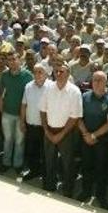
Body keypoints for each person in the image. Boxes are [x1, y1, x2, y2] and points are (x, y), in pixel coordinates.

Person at [40, 61, 83, 196]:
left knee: (67, 163)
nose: (58, 74)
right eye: (56, 71)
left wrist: (61, 134)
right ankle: (50, 185)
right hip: (49, 130)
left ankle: (68, 189)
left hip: (67, 132)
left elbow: (75, 117)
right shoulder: (48, 88)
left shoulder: (75, 91)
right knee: (49, 160)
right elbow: (42, 110)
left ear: (68, 73)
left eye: (61, 71)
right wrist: (46, 130)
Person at [77, 71, 108, 207]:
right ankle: (86, 191)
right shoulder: (85, 96)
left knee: (102, 168)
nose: (97, 83)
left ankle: (101, 195)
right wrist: (86, 135)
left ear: (106, 82)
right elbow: (78, 117)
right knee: (86, 166)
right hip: (85, 138)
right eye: (95, 80)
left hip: (102, 141)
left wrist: (93, 136)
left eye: (100, 80)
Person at [0, 51, 33, 174]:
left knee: (19, 141)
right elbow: (2, 93)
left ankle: (18, 164)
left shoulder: (28, 75)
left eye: (14, 59)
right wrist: (1, 108)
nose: (12, 62)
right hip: (7, 113)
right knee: (8, 139)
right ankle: (6, 163)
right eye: (9, 60)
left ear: (19, 60)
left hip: (21, 115)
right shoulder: (4, 75)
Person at [20, 64, 51, 180]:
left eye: (40, 72)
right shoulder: (28, 86)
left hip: (45, 127)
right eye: (35, 72)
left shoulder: (52, 87)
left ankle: (46, 174)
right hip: (31, 125)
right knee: (32, 151)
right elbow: (24, 105)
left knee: (45, 152)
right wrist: (22, 122)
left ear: (46, 74)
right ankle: (33, 171)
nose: (37, 74)